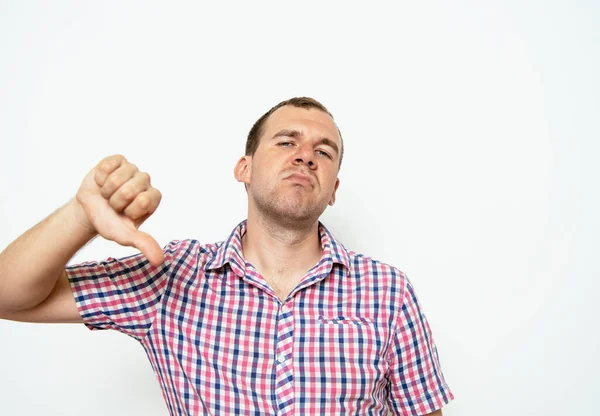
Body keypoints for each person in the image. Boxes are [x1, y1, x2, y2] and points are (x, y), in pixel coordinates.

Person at [0, 97, 454, 415]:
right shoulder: (171, 277)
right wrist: (80, 216)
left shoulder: (388, 292)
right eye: (286, 142)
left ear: (334, 190)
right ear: (245, 168)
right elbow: (8, 296)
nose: (305, 157)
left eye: (324, 151)